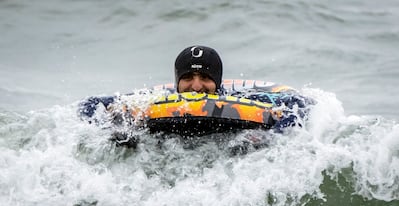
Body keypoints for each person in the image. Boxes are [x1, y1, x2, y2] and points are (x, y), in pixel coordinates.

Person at [78, 45, 313, 147]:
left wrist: (273, 134)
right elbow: (91, 104)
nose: (196, 86)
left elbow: (301, 103)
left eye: (205, 77)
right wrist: (112, 122)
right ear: (177, 80)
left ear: (218, 82)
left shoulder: (239, 97)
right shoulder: (158, 98)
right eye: (188, 77)